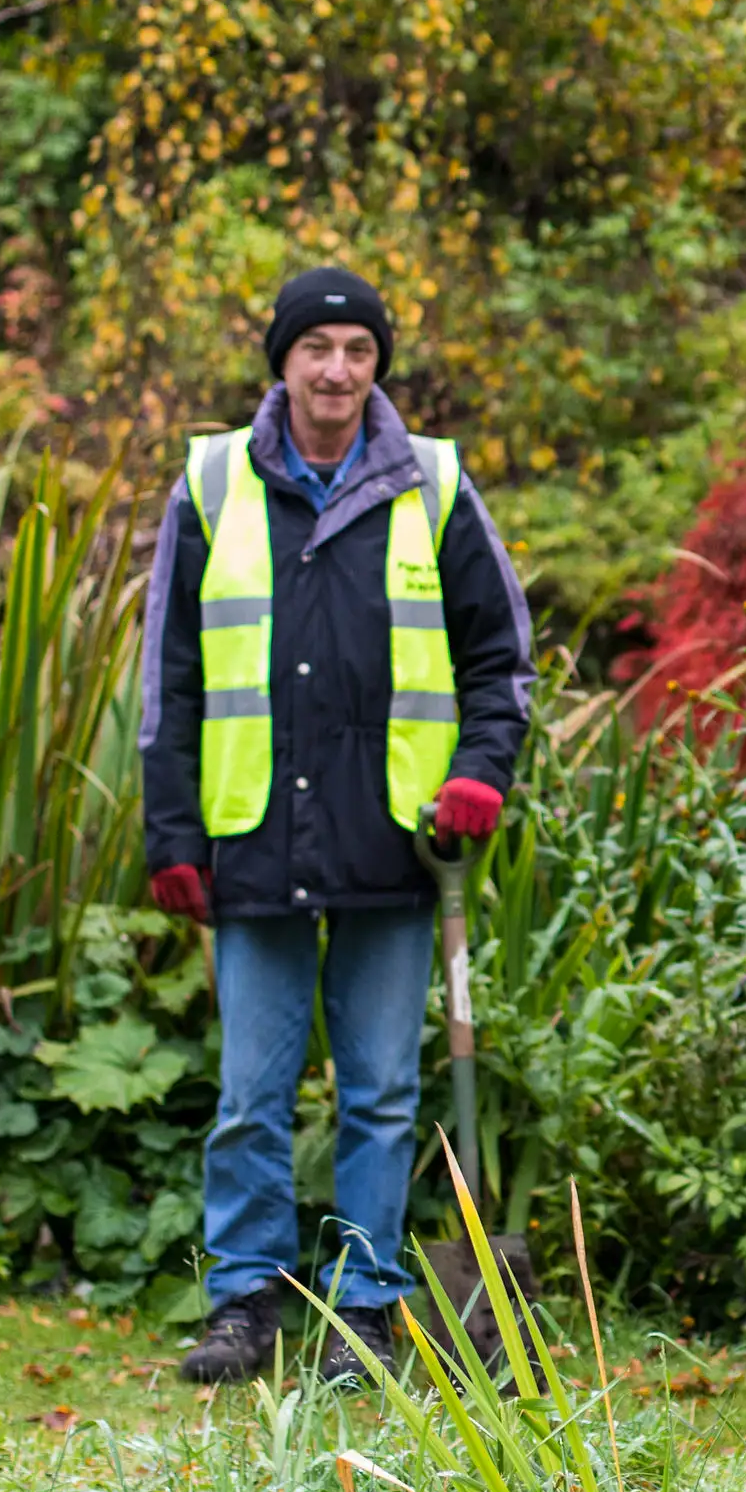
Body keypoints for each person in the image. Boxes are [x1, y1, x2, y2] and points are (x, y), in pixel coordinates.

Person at [141, 266, 534, 1387]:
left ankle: (366, 1306)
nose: (336, 370)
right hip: (252, 838)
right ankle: (246, 1306)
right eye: (316, 348)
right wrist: (172, 830)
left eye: (358, 350)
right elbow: (167, 672)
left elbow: (501, 658)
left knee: (380, 1095)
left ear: (377, 365)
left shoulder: (436, 486)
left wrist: (479, 777)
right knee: (251, 1096)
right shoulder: (212, 484)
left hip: (393, 841)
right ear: (282, 361)